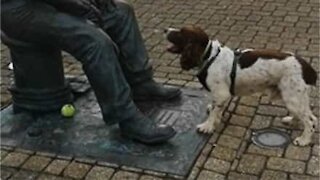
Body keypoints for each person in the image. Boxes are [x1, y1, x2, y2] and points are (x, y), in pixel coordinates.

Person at [1, 0, 181, 144]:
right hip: (18, 9)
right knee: (94, 41)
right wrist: (75, 5)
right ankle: (125, 116)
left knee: (121, 12)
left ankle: (141, 83)